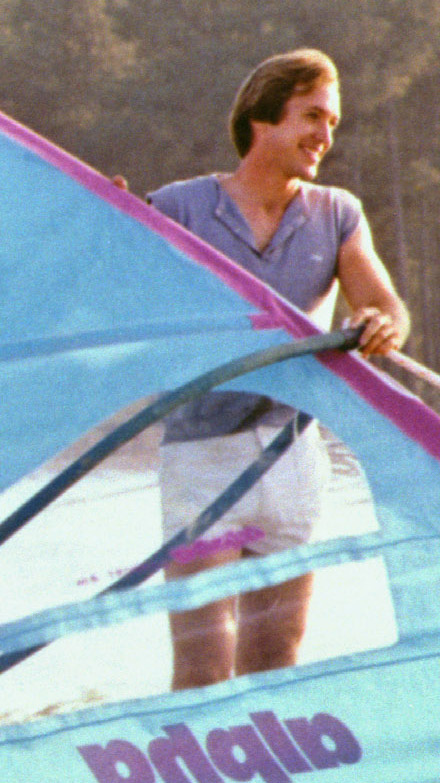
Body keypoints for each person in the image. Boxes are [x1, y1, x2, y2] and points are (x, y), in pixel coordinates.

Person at [145, 49, 411, 688]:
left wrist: (381, 323)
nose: (325, 135)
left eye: (333, 123)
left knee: (274, 662)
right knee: (204, 665)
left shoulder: (337, 213)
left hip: (292, 462)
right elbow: (114, 291)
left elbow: (385, 306)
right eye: (312, 116)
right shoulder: (179, 206)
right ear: (262, 118)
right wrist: (111, 227)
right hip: (201, 469)